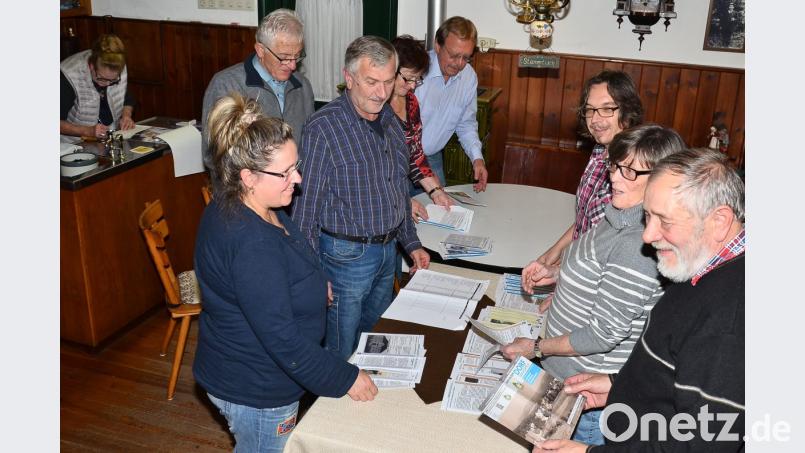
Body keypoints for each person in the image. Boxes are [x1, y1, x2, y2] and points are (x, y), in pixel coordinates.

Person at [193, 93, 377, 452]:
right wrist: (346, 378)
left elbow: (288, 246)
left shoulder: (249, 204)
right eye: (286, 172)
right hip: (257, 386)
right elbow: (282, 340)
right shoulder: (250, 243)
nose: (298, 178)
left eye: (296, 165)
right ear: (248, 176)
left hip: (247, 368)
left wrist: (313, 281)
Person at [531, 148, 745, 452]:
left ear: (719, 220)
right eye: (647, 216)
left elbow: (700, 445)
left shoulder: (732, 322)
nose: (648, 235)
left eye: (664, 221)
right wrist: (620, 384)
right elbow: (680, 365)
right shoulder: (699, 261)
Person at [501, 124, 687, 446]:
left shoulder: (636, 246)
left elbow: (601, 335)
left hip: (585, 397)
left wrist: (534, 348)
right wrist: (559, 274)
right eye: (616, 165)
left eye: (631, 172)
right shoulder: (619, 214)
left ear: (662, 182)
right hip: (565, 376)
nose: (615, 177)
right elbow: (602, 272)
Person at [292, 36, 430, 360]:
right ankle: (328, 407)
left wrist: (412, 244)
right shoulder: (322, 128)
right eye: (371, 82)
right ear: (349, 77)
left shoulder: (389, 120)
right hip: (345, 258)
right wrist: (313, 277)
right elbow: (304, 213)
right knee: (340, 348)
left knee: (374, 340)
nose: (381, 93)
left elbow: (398, 189)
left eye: (387, 82)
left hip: (388, 254)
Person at [529, 71, 644, 275]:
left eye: (607, 109)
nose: (595, 119)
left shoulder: (634, 172)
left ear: (627, 112)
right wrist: (554, 252)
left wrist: (562, 277)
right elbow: (585, 221)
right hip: (576, 264)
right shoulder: (599, 150)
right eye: (590, 110)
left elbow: (608, 251)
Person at [201, 8, 313, 171]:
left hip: (293, 187)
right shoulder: (227, 85)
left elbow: (309, 146)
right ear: (261, 50)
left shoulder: (302, 86)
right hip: (243, 192)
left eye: (297, 56)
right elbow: (214, 157)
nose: (293, 65)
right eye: (284, 57)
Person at [415, 16, 488, 192]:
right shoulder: (416, 70)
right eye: (454, 55)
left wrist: (477, 158)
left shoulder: (469, 78)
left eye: (466, 57)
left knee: (439, 214)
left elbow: (466, 124)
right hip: (400, 160)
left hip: (432, 158)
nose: (459, 64)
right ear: (437, 45)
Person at [389, 35, 454, 221]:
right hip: (382, 195)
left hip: (400, 186)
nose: (411, 86)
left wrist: (436, 191)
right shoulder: (376, 106)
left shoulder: (411, 102)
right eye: (408, 78)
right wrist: (400, 201)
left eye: (416, 80)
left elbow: (415, 154)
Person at [60, 34, 136, 140]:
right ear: (91, 66)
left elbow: (127, 99)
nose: (107, 84)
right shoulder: (69, 76)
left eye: (113, 80)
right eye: (102, 78)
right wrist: (87, 131)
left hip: (108, 137)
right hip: (73, 144)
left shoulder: (117, 66)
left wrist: (126, 116)